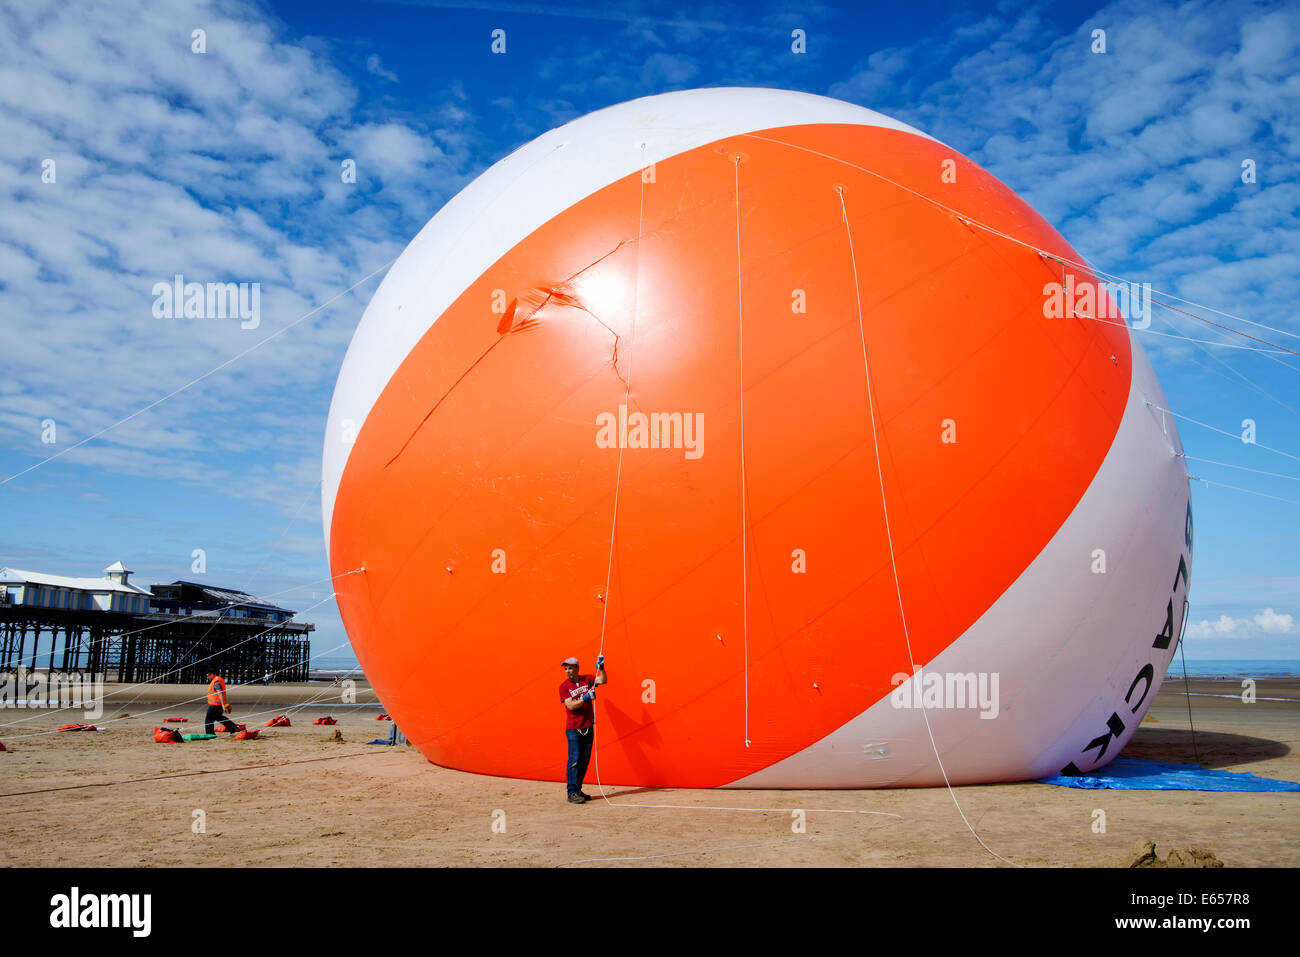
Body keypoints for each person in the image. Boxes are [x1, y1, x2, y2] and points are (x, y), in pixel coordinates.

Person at [559, 654, 607, 803]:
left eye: (570, 668)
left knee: (584, 761)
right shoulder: (564, 687)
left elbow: (603, 680)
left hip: (587, 727)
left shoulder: (588, 679)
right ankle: (571, 792)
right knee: (574, 760)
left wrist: (602, 668)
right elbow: (570, 705)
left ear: (577, 668)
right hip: (573, 729)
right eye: (566, 669)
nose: (568, 671)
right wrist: (585, 698)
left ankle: (578, 790)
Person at [204, 669, 239, 735]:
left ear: (212, 674)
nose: (207, 677)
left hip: (215, 705)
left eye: (208, 676)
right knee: (218, 717)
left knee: (208, 720)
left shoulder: (216, 681)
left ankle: (210, 734)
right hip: (218, 704)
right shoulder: (218, 680)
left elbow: (220, 693)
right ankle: (232, 727)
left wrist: (223, 705)